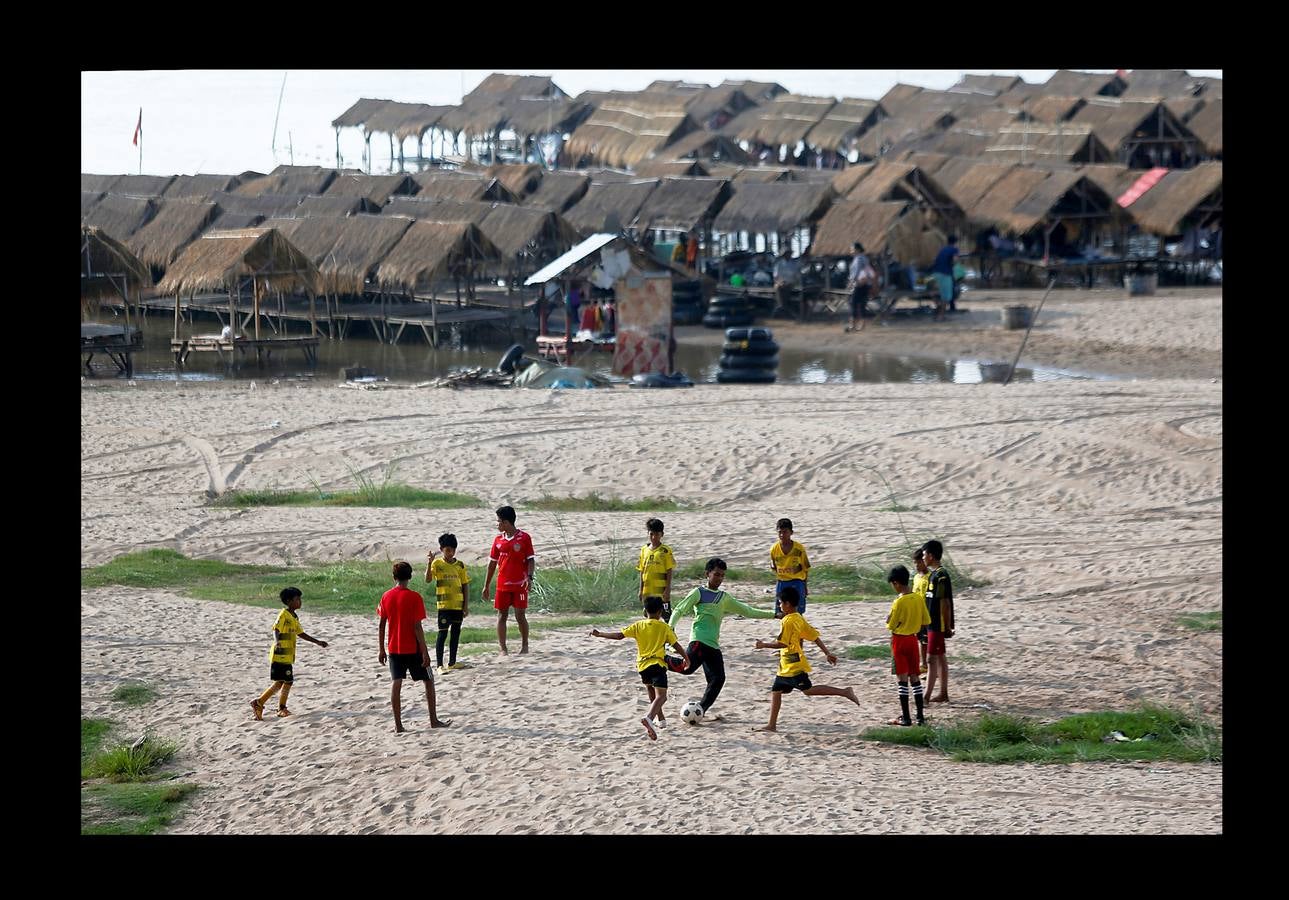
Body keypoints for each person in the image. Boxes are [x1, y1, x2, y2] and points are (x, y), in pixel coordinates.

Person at [667, 556, 778, 718]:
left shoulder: (724, 597)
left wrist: (774, 615)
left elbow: (747, 611)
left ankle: (701, 710)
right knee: (687, 668)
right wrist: (670, 628)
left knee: (718, 679)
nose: (719, 578)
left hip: (713, 645)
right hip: (699, 639)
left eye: (722, 575)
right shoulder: (699, 593)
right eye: (716, 574)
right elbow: (679, 610)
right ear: (707, 574)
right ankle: (659, 659)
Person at [752, 587, 859, 732]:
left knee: (807, 690)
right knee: (776, 691)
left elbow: (783, 643)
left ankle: (845, 692)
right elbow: (814, 636)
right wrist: (827, 653)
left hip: (793, 665)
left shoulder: (789, 621)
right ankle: (772, 725)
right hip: (785, 665)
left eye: (780, 603)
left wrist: (763, 645)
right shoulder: (798, 618)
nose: (780, 606)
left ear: (788, 604)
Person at [591, 596, 690, 740]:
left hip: (642, 666)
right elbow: (676, 645)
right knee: (661, 696)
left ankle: (660, 719)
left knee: (651, 691)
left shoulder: (638, 625)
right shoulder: (664, 627)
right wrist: (686, 659)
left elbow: (619, 636)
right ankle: (649, 718)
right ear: (661, 611)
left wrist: (600, 634)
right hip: (657, 664)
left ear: (645, 610)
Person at [378, 560, 449, 733]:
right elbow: (417, 627)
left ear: (394, 577)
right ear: (410, 576)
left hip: (394, 647)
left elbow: (382, 624)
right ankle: (433, 720)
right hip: (413, 648)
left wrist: (381, 648)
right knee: (429, 680)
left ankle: (398, 725)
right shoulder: (415, 597)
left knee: (396, 683)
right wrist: (425, 651)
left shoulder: (386, 596)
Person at [250, 587, 328, 720]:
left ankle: (262, 703)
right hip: (280, 654)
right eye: (297, 599)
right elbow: (276, 629)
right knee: (286, 681)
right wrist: (277, 641)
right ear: (289, 601)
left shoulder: (294, 617)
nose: (300, 602)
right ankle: (276, 706)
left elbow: (301, 633)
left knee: (282, 682)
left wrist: (317, 642)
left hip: (287, 656)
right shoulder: (284, 615)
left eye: (300, 599)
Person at [481, 505, 535, 655]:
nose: (497, 524)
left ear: (506, 522)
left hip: (520, 584)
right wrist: (486, 585)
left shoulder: (524, 538)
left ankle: (525, 646)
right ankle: (503, 648)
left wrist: (529, 577)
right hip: (502, 585)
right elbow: (492, 564)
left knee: (520, 615)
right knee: (501, 615)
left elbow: (531, 560)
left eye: (499, 521)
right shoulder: (498, 540)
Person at [885, 565, 931, 726]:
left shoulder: (899, 601)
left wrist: (889, 618)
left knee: (902, 679)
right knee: (915, 677)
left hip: (899, 640)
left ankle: (906, 717)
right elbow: (926, 621)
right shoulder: (918, 598)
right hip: (913, 640)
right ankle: (920, 717)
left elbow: (890, 625)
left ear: (896, 583)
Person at [425, 533, 471, 674]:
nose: (450, 553)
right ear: (442, 549)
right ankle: (439, 665)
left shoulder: (460, 565)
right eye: (447, 550)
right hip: (444, 606)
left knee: (456, 634)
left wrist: (465, 606)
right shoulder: (437, 564)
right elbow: (428, 579)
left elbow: (465, 585)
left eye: (452, 550)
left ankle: (452, 662)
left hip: (458, 605)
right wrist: (429, 562)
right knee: (442, 634)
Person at [922, 539, 955, 704]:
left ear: (931, 555)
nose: (923, 557)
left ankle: (926, 697)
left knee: (931, 659)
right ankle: (943, 694)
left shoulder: (941, 576)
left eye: (924, 554)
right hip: (931, 623)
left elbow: (945, 603)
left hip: (937, 624)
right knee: (940, 657)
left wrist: (947, 626)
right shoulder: (932, 575)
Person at [769, 517, 811, 616]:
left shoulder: (799, 549)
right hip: (782, 583)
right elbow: (773, 564)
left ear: (791, 532)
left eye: (785, 532)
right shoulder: (774, 549)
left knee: (797, 612)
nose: (782, 535)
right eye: (780, 532)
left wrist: (805, 586)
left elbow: (805, 568)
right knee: (781, 612)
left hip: (797, 582)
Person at [637, 517, 676, 618]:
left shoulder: (665, 551)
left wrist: (667, 589)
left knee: (667, 618)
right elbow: (641, 571)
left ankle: (670, 634)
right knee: (650, 619)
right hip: (648, 592)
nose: (654, 537)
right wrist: (640, 590)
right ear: (648, 533)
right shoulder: (644, 550)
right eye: (651, 534)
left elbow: (669, 570)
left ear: (662, 534)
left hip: (661, 593)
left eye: (657, 534)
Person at [846, 241, 876, 333]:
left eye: (852, 249)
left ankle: (853, 325)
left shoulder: (858, 258)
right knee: (862, 304)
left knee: (853, 303)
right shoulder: (864, 258)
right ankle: (862, 325)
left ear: (857, 249)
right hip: (865, 283)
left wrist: (851, 282)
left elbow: (857, 272)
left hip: (859, 283)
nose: (851, 251)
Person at [911, 548, 931, 675]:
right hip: (917, 613)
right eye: (915, 563)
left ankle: (925, 664)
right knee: (919, 639)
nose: (917, 566)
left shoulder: (931, 577)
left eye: (919, 562)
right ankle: (922, 662)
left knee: (926, 640)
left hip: (928, 613)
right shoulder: (916, 578)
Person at [931, 236, 960, 321]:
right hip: (945, 274)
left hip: (936, 272)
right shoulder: (954, 249)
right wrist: (953, 265)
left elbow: (935, 260)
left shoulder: (942, 249)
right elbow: (955, 260)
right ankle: (941, 316)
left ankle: (939, 308)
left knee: (935, 293)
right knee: (946, 296)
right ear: (955, 242)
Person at [772, 249, 801, 316]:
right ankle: (782, 305)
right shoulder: (779, 264)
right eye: (787, 254)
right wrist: (780, 282)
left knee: (787, 288)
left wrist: (793, 283)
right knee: (779, 288)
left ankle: (784, 307)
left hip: (791, 283)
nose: (788, 255)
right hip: (781, 283)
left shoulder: (793, 264)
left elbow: (797, 276)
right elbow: (776, 276)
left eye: (789, 254)